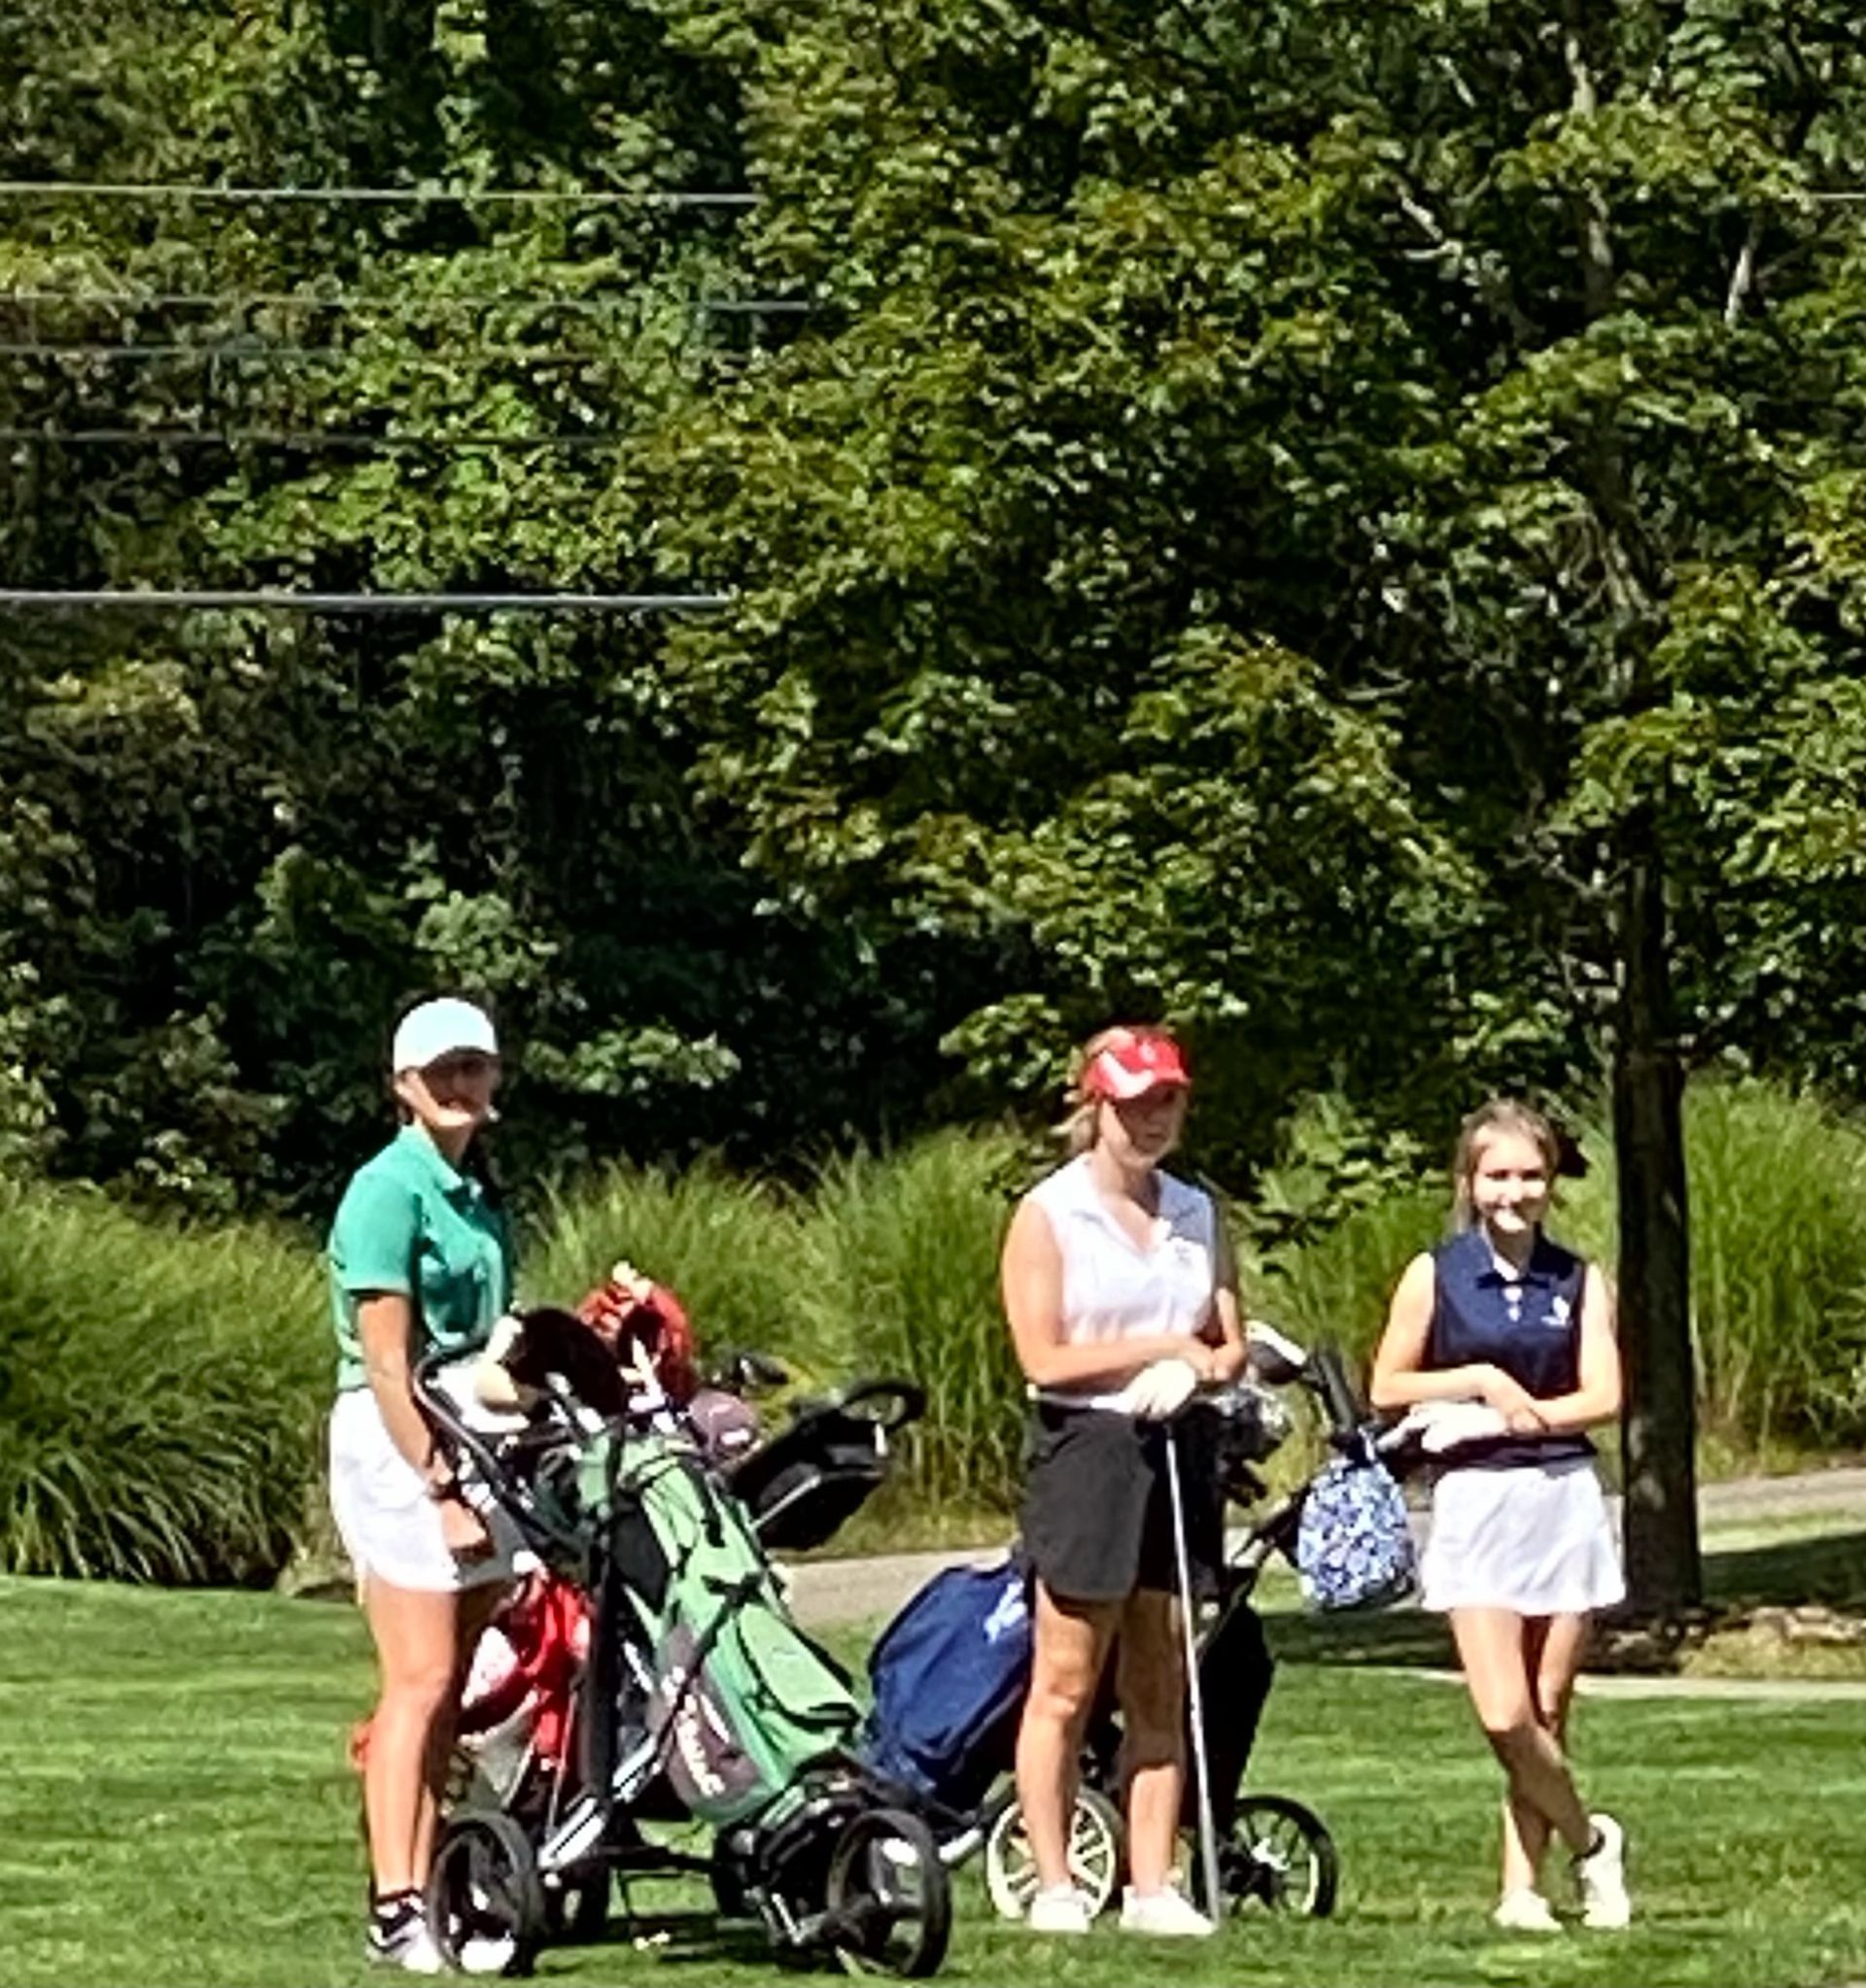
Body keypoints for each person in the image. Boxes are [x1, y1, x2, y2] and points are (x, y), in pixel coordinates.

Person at [1002, 1023, 1247, 1938]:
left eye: (1168, 1102)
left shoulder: (1196, 1212)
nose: (1154, 1119)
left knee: (1159, 1676)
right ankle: (1055, 1880)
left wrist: (1199, 1369)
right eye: (1136, 1104)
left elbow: (1227, 1340)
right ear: (1095, 1105)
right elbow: (1043, 1353)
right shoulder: (1050, 1213)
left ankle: (1152, 1886)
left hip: (1178, 1441)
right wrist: (1162, 1347)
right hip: (1087, 1449)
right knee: (1066, 1679)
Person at [1368, 1098, 1631, 1934]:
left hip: (1562, 1496)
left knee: (1549, 1704)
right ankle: (1594, 1842)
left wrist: (1533, 1416)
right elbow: (1387, 1385)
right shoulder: (1435, 1273)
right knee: (1502, 1711)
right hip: (1476, 1498)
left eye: (1529, 1175)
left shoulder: (1580, 1278)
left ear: (1549, 1182)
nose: (1513, 1192)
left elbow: (1604, 1394)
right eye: (1497, 1175)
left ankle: (1523, 1889)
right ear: (1469, 1181)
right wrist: (1480, 1382)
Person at [327, 996, 525, 1972]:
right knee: (420, 1679)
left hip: (472, 1433)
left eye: (474, 1067)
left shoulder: (479, 1192)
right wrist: (440, 1487)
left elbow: (491, 1341)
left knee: (455, 1686)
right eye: (440, 1069)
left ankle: (433, 1878)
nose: (459, 1085)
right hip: (398, 1441)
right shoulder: (386, 1189)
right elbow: (387, 1361)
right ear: (403, 1084)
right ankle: (396, 1903)